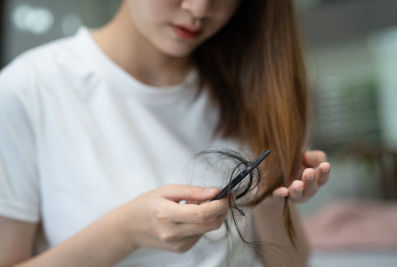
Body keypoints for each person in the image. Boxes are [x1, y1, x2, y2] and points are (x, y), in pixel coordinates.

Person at [0, 0, 331, 266]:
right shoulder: (27, 91)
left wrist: (271, 199)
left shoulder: (248, 91)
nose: (199, 9)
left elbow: (291, 262)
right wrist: (125, 232)